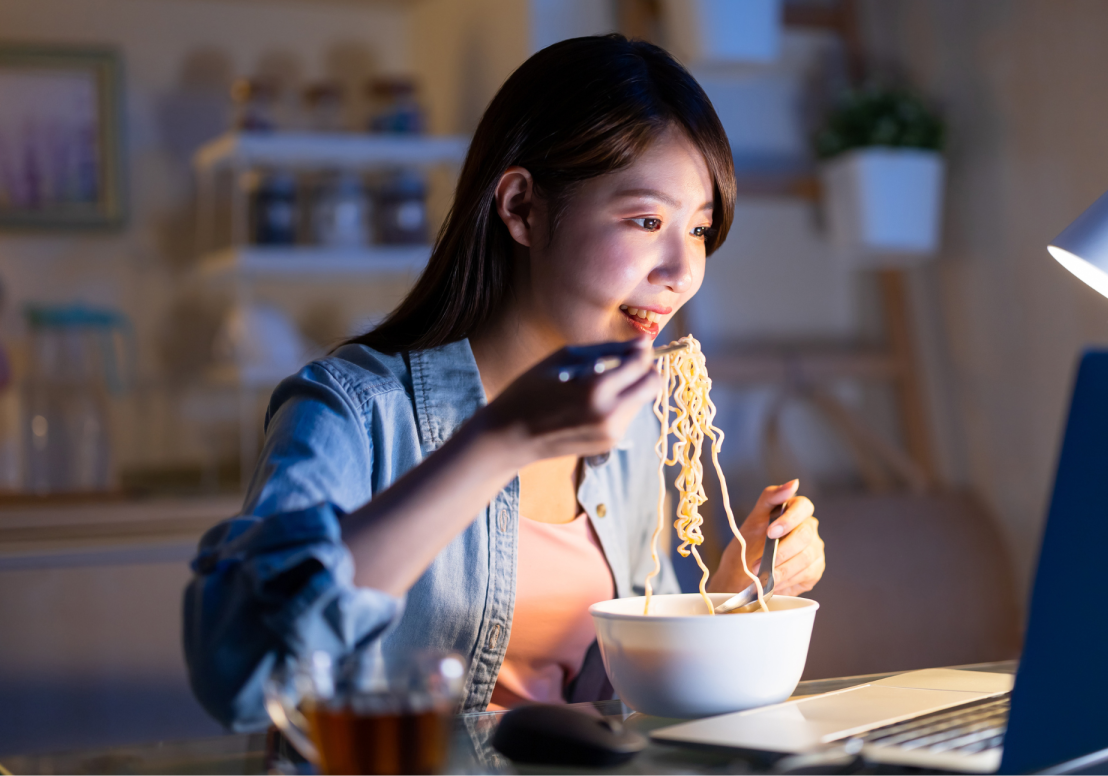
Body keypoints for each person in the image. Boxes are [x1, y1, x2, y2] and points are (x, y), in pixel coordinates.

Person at [184, 34, 826, 729]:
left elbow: (632, 695)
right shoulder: (352, 408)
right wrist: (496, 442)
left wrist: (730, 592)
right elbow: (243, 676)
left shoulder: (632, 424)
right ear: (521, 207)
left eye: (699, 230)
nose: (683, 270)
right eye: (646, 220)